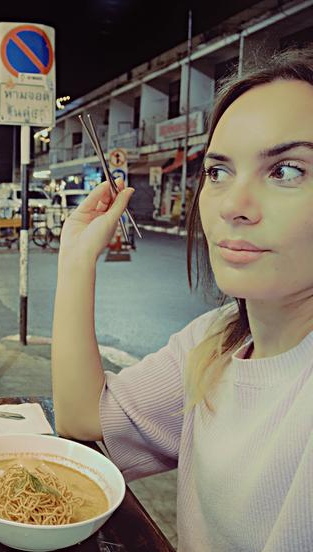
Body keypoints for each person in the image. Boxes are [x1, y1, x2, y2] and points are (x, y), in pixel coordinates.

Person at [52, 48, 313, 551]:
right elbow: (84, 416)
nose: (233, 206)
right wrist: (77, 258)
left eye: (286, 171)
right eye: (218, 172)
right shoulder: (215, 341)